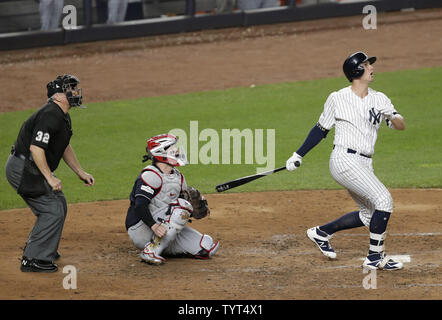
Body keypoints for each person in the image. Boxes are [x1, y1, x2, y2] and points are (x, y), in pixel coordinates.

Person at [286, 52, 406, 271]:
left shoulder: (380, 98)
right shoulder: (337, 97)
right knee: (384, 200)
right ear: (356, 71)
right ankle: (375, 258)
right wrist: (298, 155)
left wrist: (393, 117)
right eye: (367, 64)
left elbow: (400, 125)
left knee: (370, 215)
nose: (371, 68)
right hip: (344, 160)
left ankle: (321, 232)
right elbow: (320, 130)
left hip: (365, 164)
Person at [5, 74, 95, 273]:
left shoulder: (61, 115)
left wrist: (80, 171)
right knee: (51, 208)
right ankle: (33, 258)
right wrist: (49, 177)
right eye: (69, 89)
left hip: (29, 166)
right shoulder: (50, 114)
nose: (74, 92)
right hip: (22, 168)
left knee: (59, 203)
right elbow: (36, 149)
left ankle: (44, 248)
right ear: (57, 95)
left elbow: (63, 146)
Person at [125, 133, 220, 265]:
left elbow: (182, 210)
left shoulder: (178, 177)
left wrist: (197, 207)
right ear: (161, 152)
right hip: (142, 228)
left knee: (206, 245)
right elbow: (140, 206)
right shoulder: (150, 176)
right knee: (182, 206)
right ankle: (151, 250)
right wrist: (154, 226)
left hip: (164, 230)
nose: (177, 150)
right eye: (172, 147)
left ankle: (163, 247)